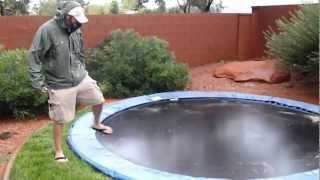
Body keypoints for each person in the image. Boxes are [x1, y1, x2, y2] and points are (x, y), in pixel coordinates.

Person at [28, 1, 113, 163]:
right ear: (66, 16)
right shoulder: (47, 30)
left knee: (99, 100)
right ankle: (58, 151)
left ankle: (96, 123)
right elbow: (34, 56)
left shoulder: (76, 29)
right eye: (75, 19)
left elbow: (79, 50)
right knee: (60, 119)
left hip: (81, 77)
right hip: (59, 83)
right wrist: (38, 82)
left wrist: (82, 66)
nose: (79, 22)